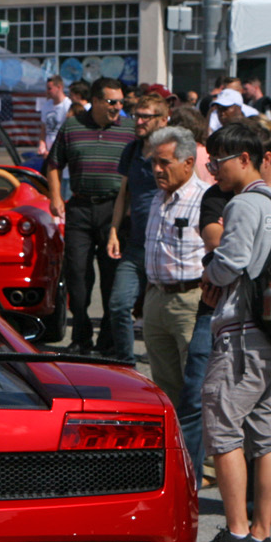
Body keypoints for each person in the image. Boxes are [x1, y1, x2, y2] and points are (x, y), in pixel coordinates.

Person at [194, 122, 271, 542]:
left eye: (220, 161)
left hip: (243, 333)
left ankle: (236, 533)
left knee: (222, 426)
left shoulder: (244, 203)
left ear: (246, 159)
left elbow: (231, 261)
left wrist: (209, 272)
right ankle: (261, 534)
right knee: (266, 435)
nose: (214, 169)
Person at [137, 124, 213, 479]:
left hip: (190, 300)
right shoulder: (158, 198)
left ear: (187, 162)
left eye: (164, 163)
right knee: (166, 389)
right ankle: (174, 465)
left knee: (195, 390)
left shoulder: (205, 199)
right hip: (156, 298)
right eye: (154, 162)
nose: (157, 169)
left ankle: (199, 466)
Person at [46, 77, 133, 355]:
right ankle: (81, 337)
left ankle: (107, 340)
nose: (117, 107)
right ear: (94, 101)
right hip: (80, 208)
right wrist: (55, 197)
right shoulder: (72, 126)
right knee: (77, 275)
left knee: (111, 276)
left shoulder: (129, 129)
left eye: (120, 102)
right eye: (111, 102)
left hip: (114, 211)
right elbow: (54, 164)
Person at [103, 94, 169, 364]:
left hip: (165, 247)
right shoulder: (131, 150)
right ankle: (126, 363)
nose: (138, 121)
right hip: (135, 244)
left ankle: (160, 365)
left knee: (158, 315)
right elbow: (123, 195)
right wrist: (114, 231)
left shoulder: (171, 152)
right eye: (136, 116)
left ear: (162, 120)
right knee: (119, 304)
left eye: (145, 117)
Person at [36, 76, 72, 172]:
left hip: (62, 154)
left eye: (50, 88)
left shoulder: (68, 105)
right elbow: (43, 129)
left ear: (59, 87)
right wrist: (42, 145)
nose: (47, 91)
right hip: (48, 154)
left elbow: (69, 132)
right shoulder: (46, 106)